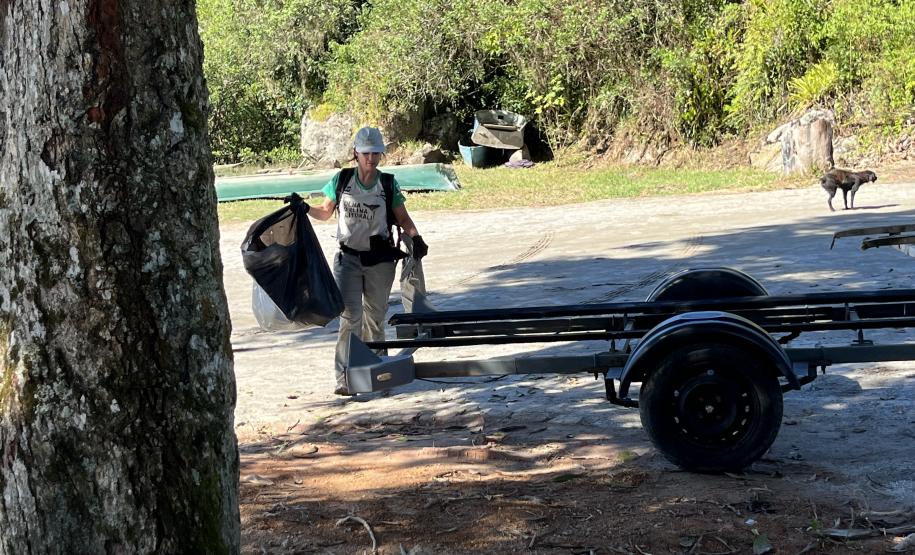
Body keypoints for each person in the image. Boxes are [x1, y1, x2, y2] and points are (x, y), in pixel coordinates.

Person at [307, 127, 428, 395]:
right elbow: (325, 212)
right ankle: (344, 378)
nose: (370, 159)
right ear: (356, 154)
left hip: (380, 261)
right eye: (365, 153)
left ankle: (379, 374)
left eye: (375, 153)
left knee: (374, 318)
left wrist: (415, 237)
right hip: (347, 258)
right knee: (349, 318)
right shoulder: (341, 180)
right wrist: (304, 208)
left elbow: (403, 218)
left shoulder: (387, 184)